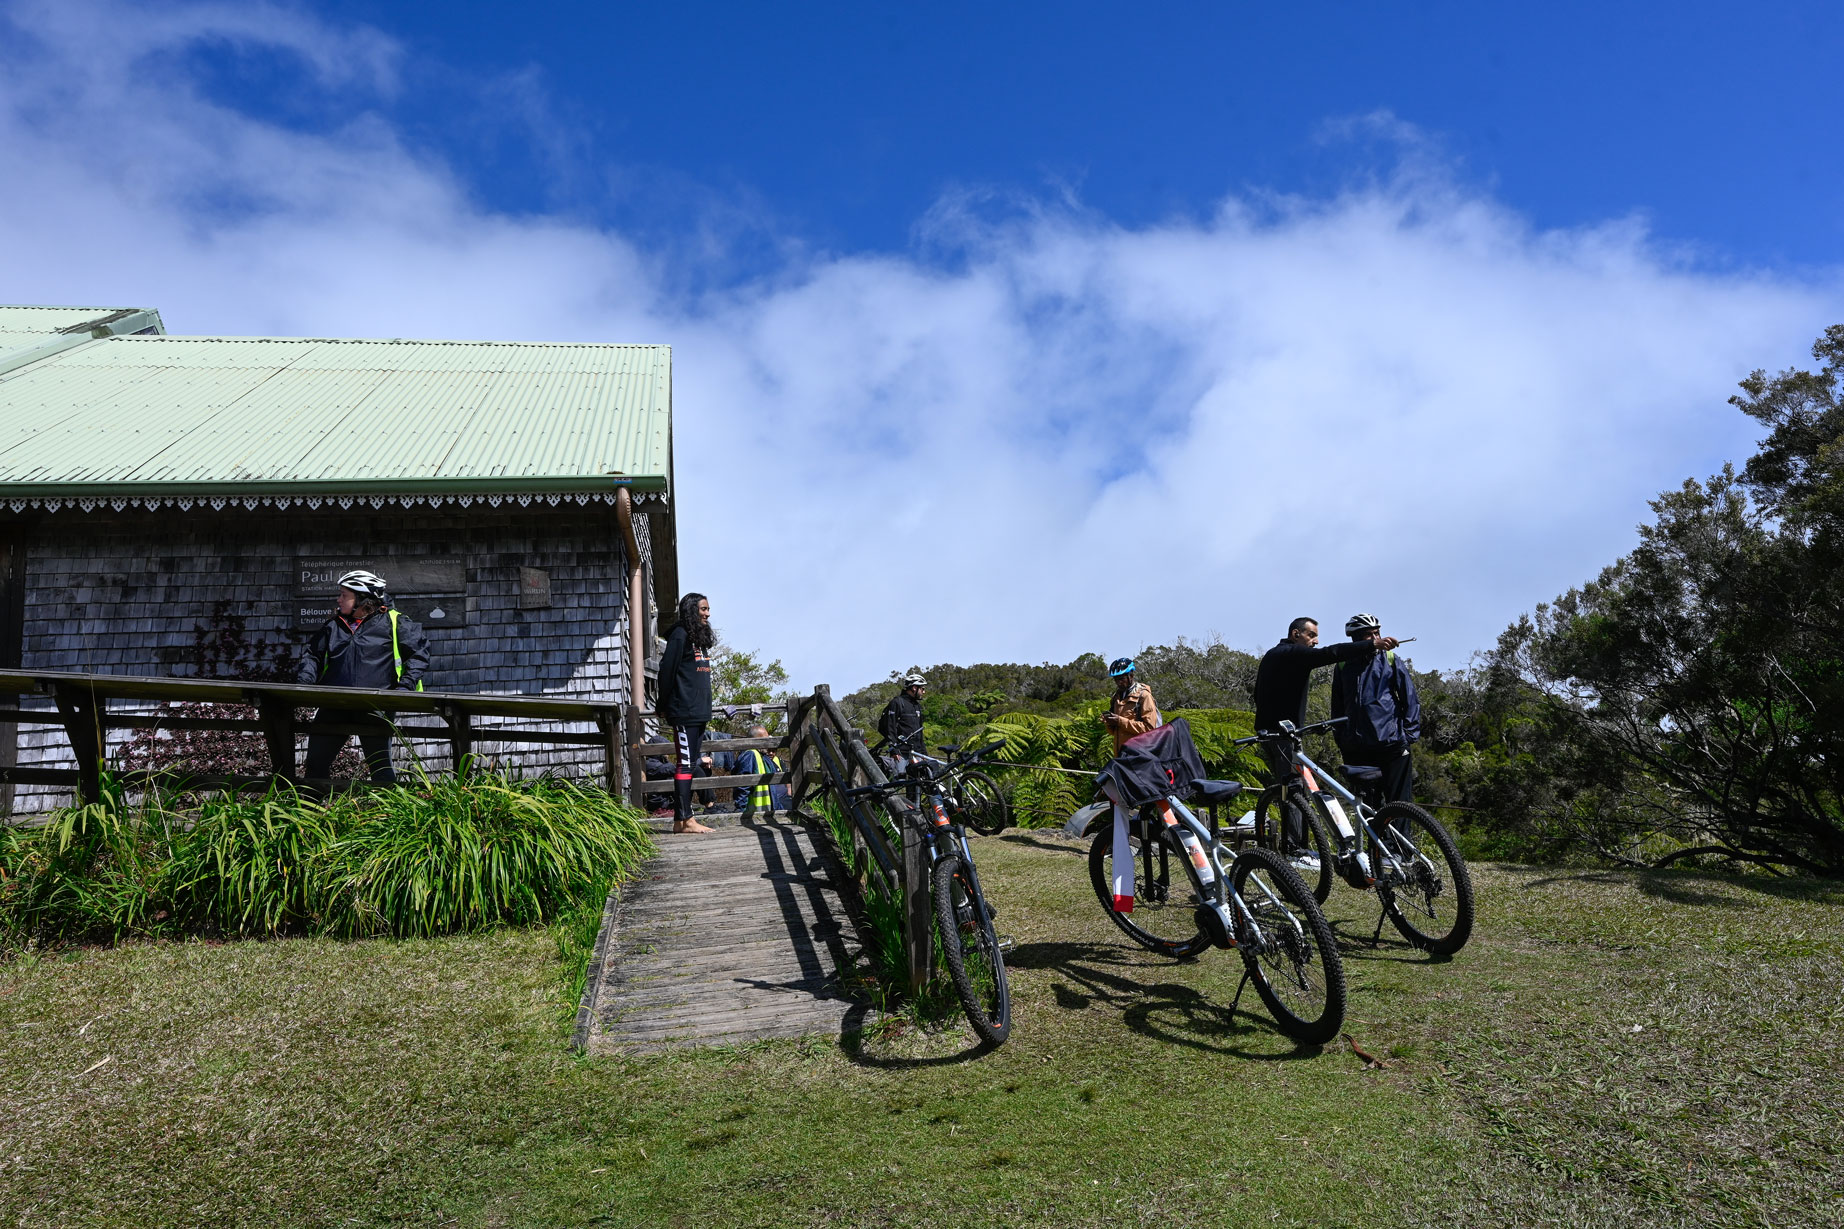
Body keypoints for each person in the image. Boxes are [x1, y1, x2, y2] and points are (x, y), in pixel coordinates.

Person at [1252, 616, 1397, 858]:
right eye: (1311, 635)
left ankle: (1299, 846)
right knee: (1293, 789)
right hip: (1279, 736)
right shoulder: (1289, 654)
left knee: (1295, 787)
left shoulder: (1274, 655)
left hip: (1280, 733)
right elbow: (1331, 653)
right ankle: (1296, 850)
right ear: (1296, 634)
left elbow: (1259, 694)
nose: (1316, 641)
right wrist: (1372, 645)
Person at [297, 569, 430, 784]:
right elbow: (312, 656)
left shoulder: (394, 622)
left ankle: (387, 815)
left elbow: (418, 653)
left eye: (344, 595)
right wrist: (304, 684)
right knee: (315, 765)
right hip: (334, 704)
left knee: (380, 769)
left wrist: (405, 687)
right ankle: (310, 813)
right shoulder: (334, 625)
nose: (338, 599)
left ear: (361, 599)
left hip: (375, 707)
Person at [1330, 613, 1421, 804]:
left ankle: (1397, 836)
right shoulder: (1343, 665)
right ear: (1355, 638)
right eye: (1368, 635)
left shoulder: (1390, 659)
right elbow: (1337, 706)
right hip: (1357, 749)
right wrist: (1342, 738)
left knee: (1399, 805)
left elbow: (1410, 699)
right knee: (1367, 806)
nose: (1375, 639)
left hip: (1392, 745)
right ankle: (1374, 836)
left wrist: (1408, 735)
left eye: (1377, 633)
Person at [657, 591, 717, 834]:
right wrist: (663, 705)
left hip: (699, 713)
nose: (708, 613)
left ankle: (680, 822)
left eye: (708, 609)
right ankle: (685, 820)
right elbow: (666, 672)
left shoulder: (697, 638)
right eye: (703, 609)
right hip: (684, 712)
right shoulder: (680, 636)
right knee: (685, 765)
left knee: (690, 764)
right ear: (692, 610)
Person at [1101, 657, 1160, 751]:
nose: (1118, 683)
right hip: (1120, 755)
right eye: (1115, 679)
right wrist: (1109, 722)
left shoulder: (1144, 696)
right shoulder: (1116, 698)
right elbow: (1115, 732)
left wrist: (1120, 721)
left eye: (1121, 679)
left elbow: (1150, 729)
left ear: (1131, 676)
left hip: (1139, 755)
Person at [877, 669, 927, 774]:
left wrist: (924, 754)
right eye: (922, 688)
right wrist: (894, 750)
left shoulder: (917, 706)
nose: (924, 692)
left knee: (917, 784)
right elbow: (889, 727)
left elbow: (919, 732)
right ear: (914, 688)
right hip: (901, 753)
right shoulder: (897, 702)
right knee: (898, 780)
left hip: (916, 753)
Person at [733, 724, 786, 819]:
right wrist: (740, 813)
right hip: (754, 815)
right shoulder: (750, 755)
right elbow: (743, 785)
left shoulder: (763, 756)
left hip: (767, 812)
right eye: (765, 739)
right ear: (756, 740)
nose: (768, 742)